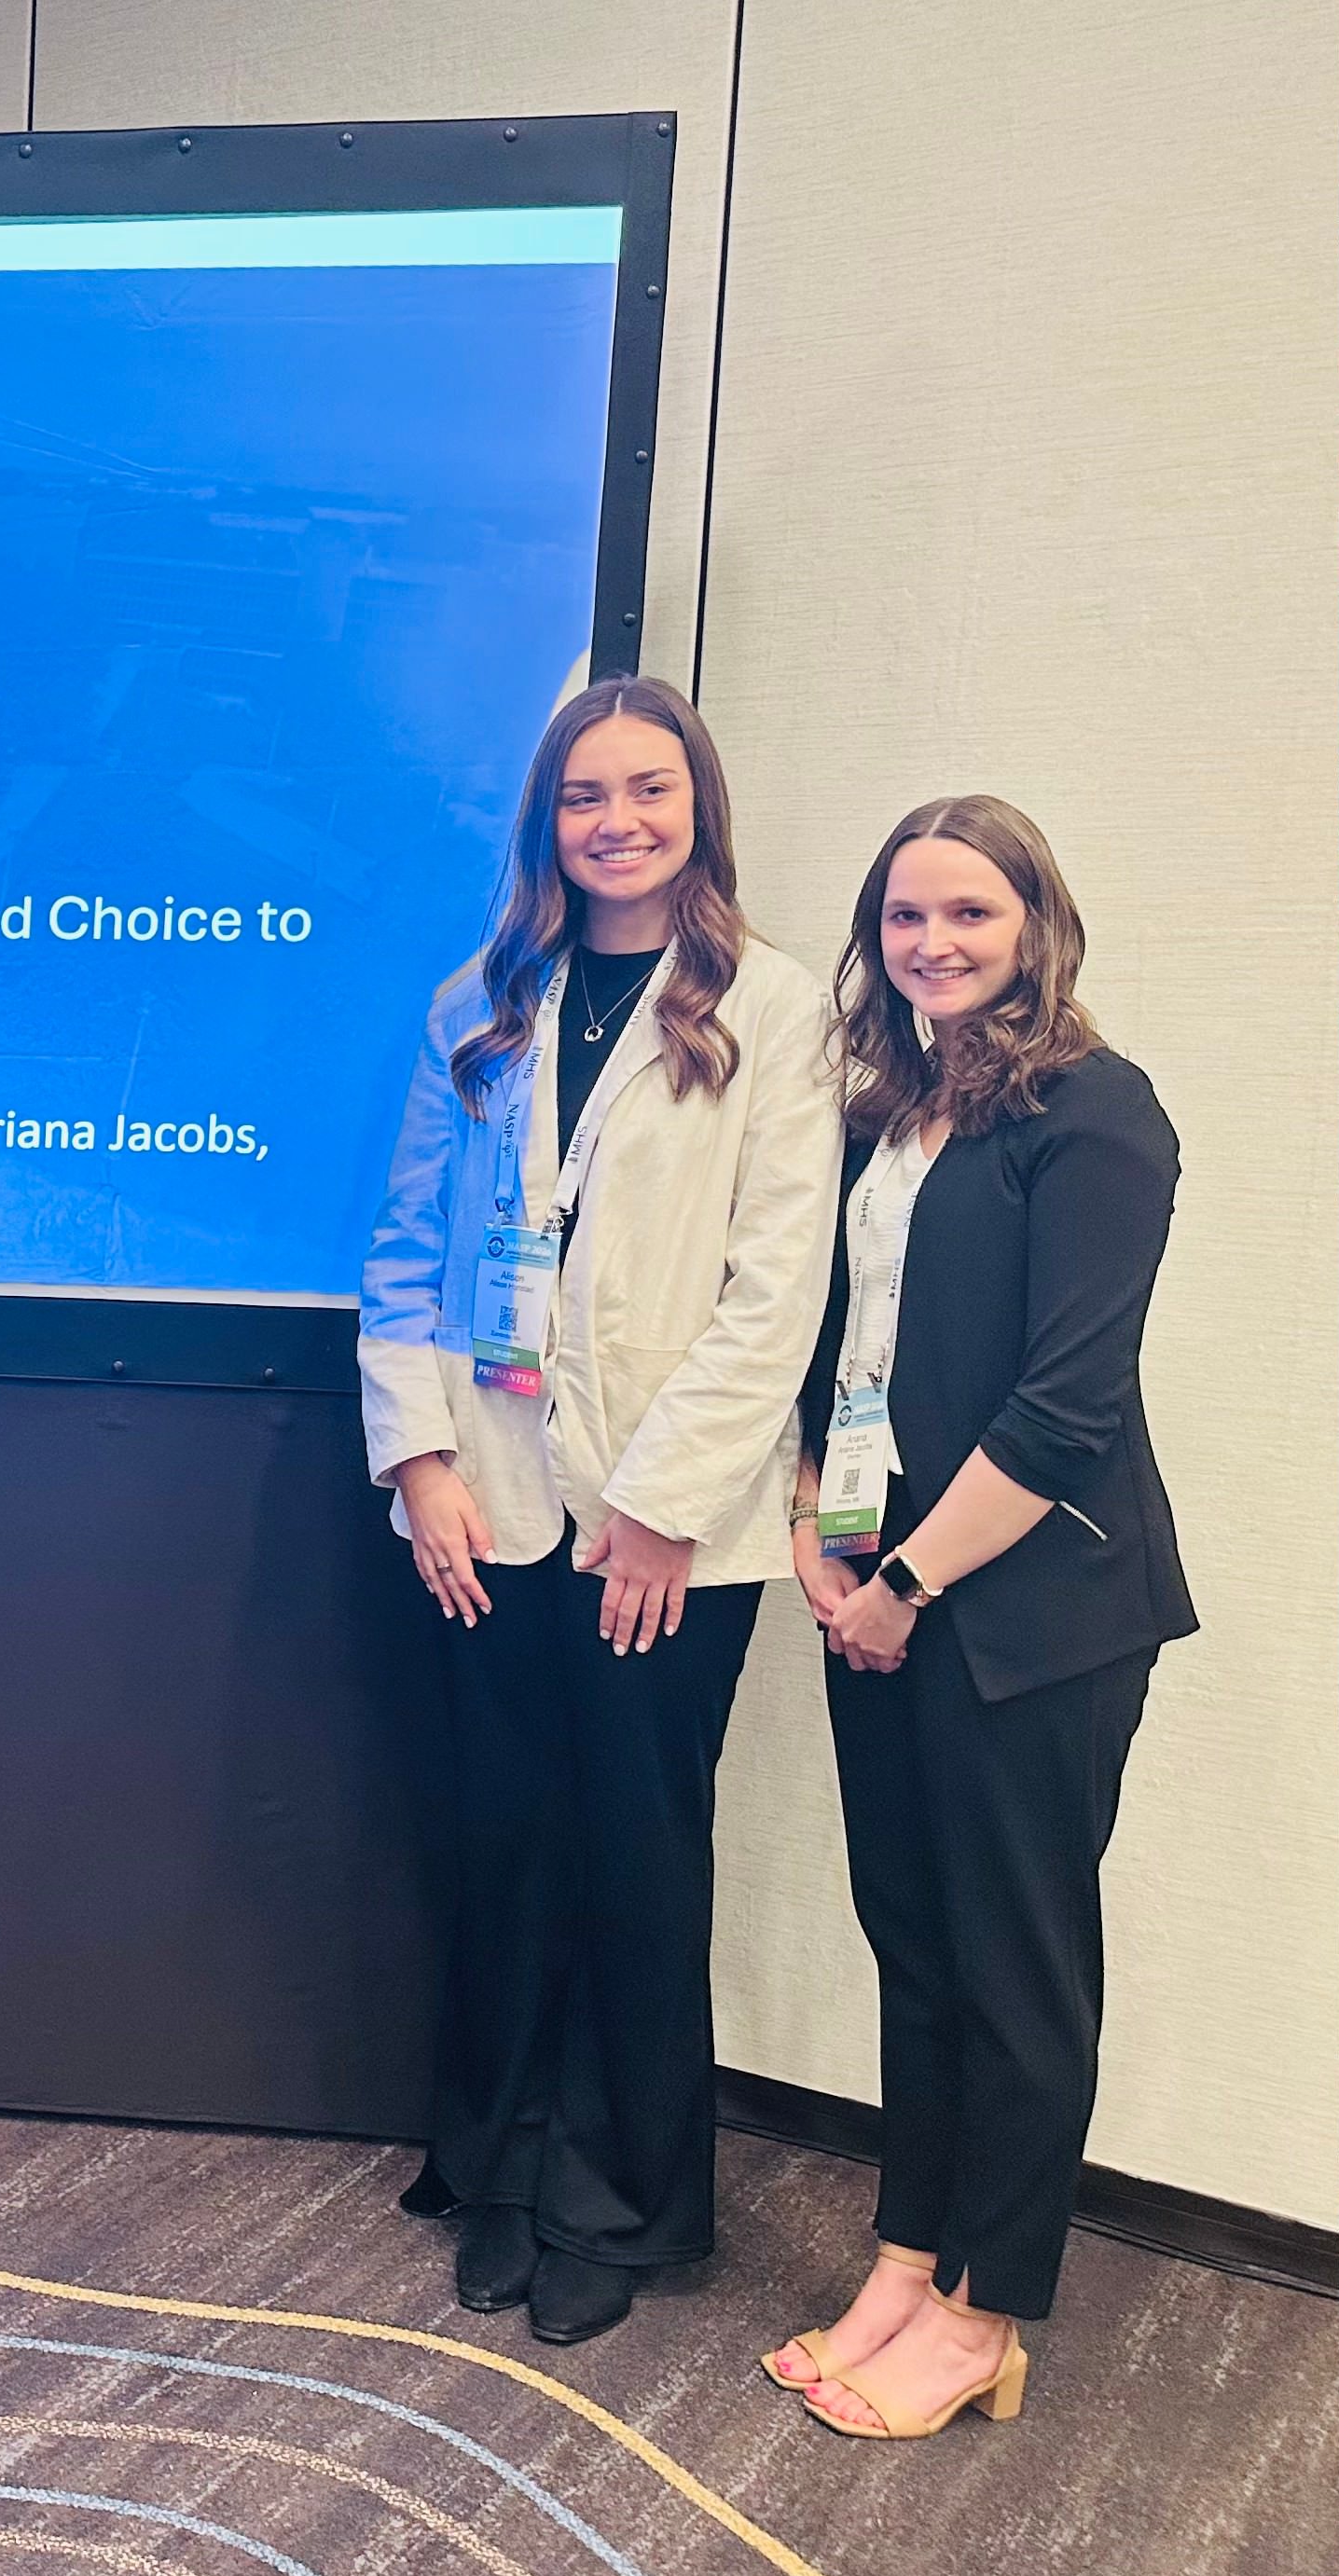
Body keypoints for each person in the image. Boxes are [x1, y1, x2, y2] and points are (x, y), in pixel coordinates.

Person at [359, 674, 837, 2344]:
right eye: (583, 794)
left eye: (647, 790)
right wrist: (418, 1463)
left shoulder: (775, 1009)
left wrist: (657, 1506)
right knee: (505, 1840)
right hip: (489, 1499)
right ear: (543, 821)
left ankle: (615, 2197)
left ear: (697, 809)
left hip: (667, 1529)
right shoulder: (481, 1000)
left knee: (636, 1852)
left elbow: (776, 1291)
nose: (615, 821)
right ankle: (496, 2168)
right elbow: (405, 1249)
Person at [769, 796, 1194, 2439]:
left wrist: (903, 1588)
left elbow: (1063, 1408)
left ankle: (983, 2312)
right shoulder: (885, 1113)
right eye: (903, 918)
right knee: (915, 1943)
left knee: (1016, 1971)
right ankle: (907, 2258)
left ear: (1035, 926)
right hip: (877, 1586)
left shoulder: (1095, 1115)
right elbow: (844, 1353)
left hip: (1034, 1614)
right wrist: (820, 1541)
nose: (932, 944)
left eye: (969, 914)